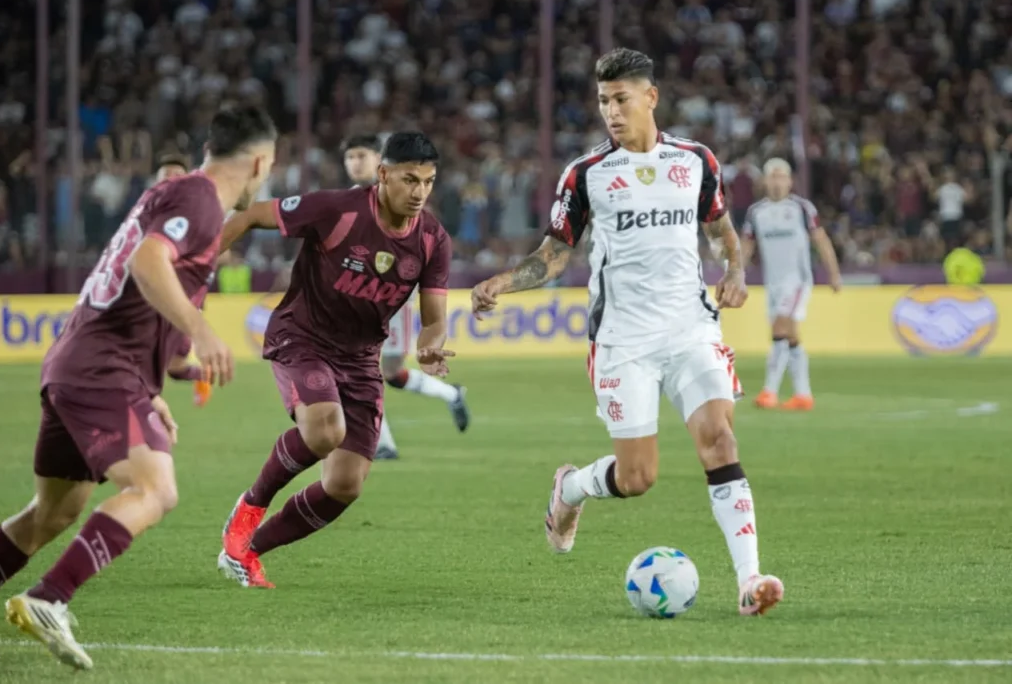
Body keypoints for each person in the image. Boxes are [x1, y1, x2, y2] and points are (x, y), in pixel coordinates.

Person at [471, 48, 784, 616]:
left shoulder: (695, 161)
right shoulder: (587, 174)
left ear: (650, 97)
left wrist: (736, 272)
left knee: (720, 439)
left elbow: (720, 231)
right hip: (622, 340)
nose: (611, 112)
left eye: (620, 99)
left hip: (691, 328)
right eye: (602, 101)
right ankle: (570, 488)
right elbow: (554, 255)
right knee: (638, 478)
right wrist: (504, 282)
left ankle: (749, 579)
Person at [0, 105, 277, 670]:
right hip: (102, 368)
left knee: (52, 512)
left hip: (80, 365)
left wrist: (155, 389)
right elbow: (147, 262)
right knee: (155, 489)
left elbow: (143, 302)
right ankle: (50, 597)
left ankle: (44, 594)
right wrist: (202, 331)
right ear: (261, 162)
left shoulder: (177, 197)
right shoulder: (199, 200)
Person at [216, 132, 455, 588]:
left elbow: (435, 320)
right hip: (302, 337)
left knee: (345, 485)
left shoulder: (432, 239)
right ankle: (250, 506)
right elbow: (250, 215)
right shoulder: (337, 209)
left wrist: (430, 344)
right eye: (410, 180)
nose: (420, 192)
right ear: (383, 175)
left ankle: (247, 551)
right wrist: (200, 263)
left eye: (428, 181)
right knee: (325, 430)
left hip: (361, 358)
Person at [341, 134, 470, 461]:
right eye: (350, 157)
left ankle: (445, 398)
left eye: (362, 156)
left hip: (394, 299)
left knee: (383, 372)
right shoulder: (348, 201)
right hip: (363, 298)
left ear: (379, 161)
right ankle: (385, 442)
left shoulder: (402, 194)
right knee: (369, 370)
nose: (355, 163)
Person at [742, 158, 842, 411]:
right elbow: (747, 245)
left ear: (789, 181)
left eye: (781, 177)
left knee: (780, 328)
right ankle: (803, 395)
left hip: (797, 280)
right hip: (773, 283)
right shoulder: (756, 212)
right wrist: (736, 275)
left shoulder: (801, 208)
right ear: (765, 181)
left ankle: (769, 392)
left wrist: (833, 273)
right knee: (790, 335)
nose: (777, 182)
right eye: (772, 177)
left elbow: (820, 240)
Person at [153, 153, 215, 407]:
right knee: (174, 369)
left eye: (176, 175)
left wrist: (195, 306)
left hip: (178, 303)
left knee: (155, 366)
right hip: (154, 298)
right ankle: (202, 375)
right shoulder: (146, 214)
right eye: (165, 176)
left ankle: (144, 412)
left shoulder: (195, 216)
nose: (170, 180)